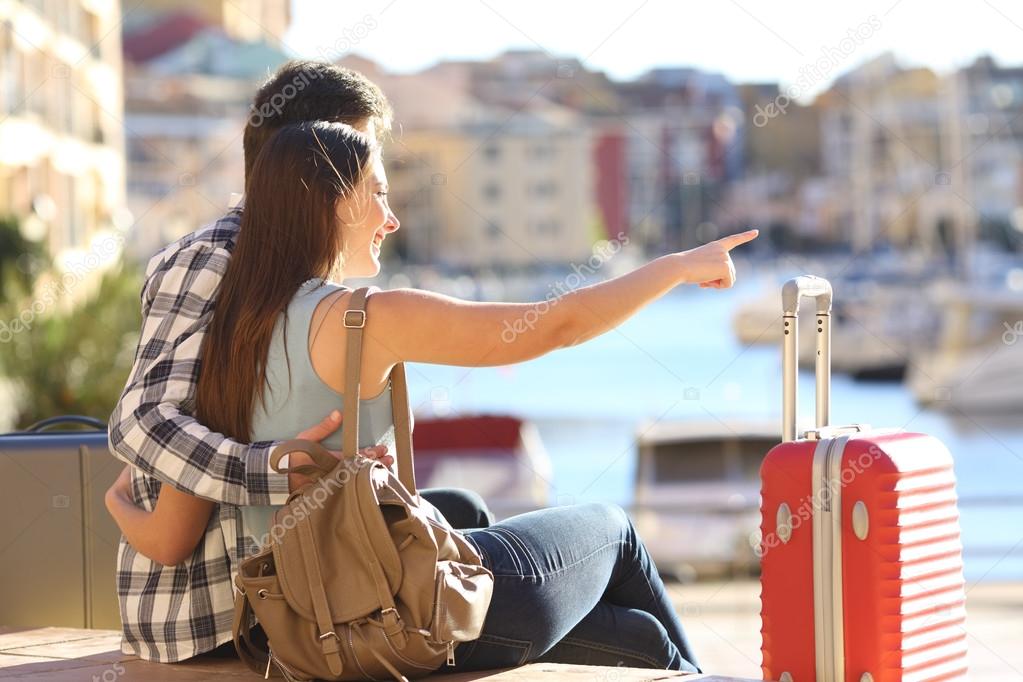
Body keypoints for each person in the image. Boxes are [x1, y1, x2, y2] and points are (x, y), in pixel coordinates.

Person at [107, 113, 758, 673]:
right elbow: (553, 325)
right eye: (377, 194)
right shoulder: (365, 316)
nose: (391, 219)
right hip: (394, 616)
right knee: (613, 530)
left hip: (306, 622)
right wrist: (675, 267)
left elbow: (171, 522)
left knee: (638, 641)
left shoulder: (230, 331)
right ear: (326, 201)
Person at [104, 61, 492, 665]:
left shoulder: (297, 269)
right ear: (311, 163)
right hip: (219, 614)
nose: (376, 195)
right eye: (359, 160)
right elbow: (142, 420)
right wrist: (279, 469)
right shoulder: (214, 257)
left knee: (460, 514)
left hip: (286, 580)